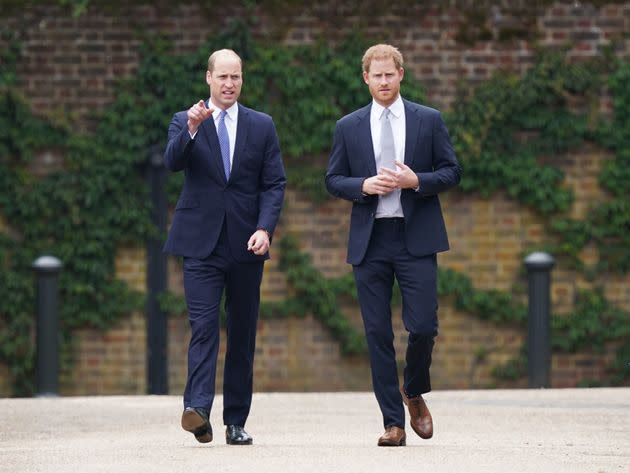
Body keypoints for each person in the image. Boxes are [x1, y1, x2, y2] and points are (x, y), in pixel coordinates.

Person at [325, 44, 460, 446]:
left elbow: (452, 171)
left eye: (390, 74)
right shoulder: (348, 126)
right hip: (371, 240)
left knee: (423, 326)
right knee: (377, 333)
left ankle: (413, 389)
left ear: (401, 74)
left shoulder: (428, 120)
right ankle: (393, 423)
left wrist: (415, 180)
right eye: (376, 75)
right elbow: (333, 180)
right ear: (365, 78)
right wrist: (362, 185)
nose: (383, 81)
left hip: (415, 237)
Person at [163, 49, 286, 445]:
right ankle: (197, 411)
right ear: (208, 79)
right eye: (223, 77)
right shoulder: (186, 120)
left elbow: (274, 183)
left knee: (242, 332)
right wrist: (193, 129)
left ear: (241, 80)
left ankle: (236, 421)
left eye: (236, 77)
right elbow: (172, 161)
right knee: (203, 328)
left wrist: (265, 228)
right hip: (201, 245)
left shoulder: (261, 125)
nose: (230, 83)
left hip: (247, 245)